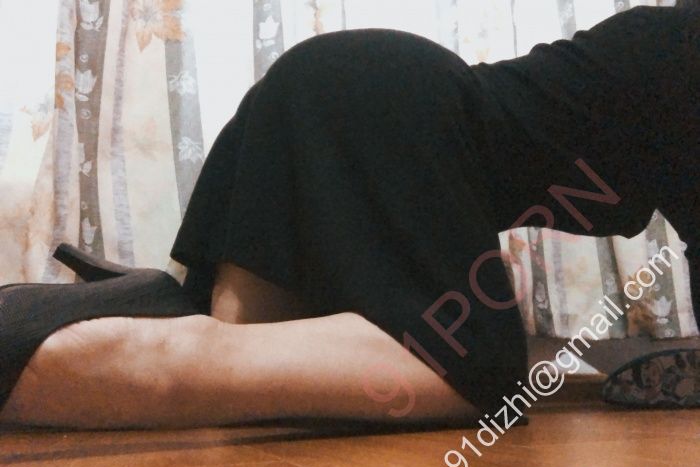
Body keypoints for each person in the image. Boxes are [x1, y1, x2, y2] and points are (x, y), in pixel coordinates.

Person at [0, 5, 697, 429]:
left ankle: (148, 312)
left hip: (331, 89)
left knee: (246, 364)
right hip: (390, 106)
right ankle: (106, 348)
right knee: (475, 374)